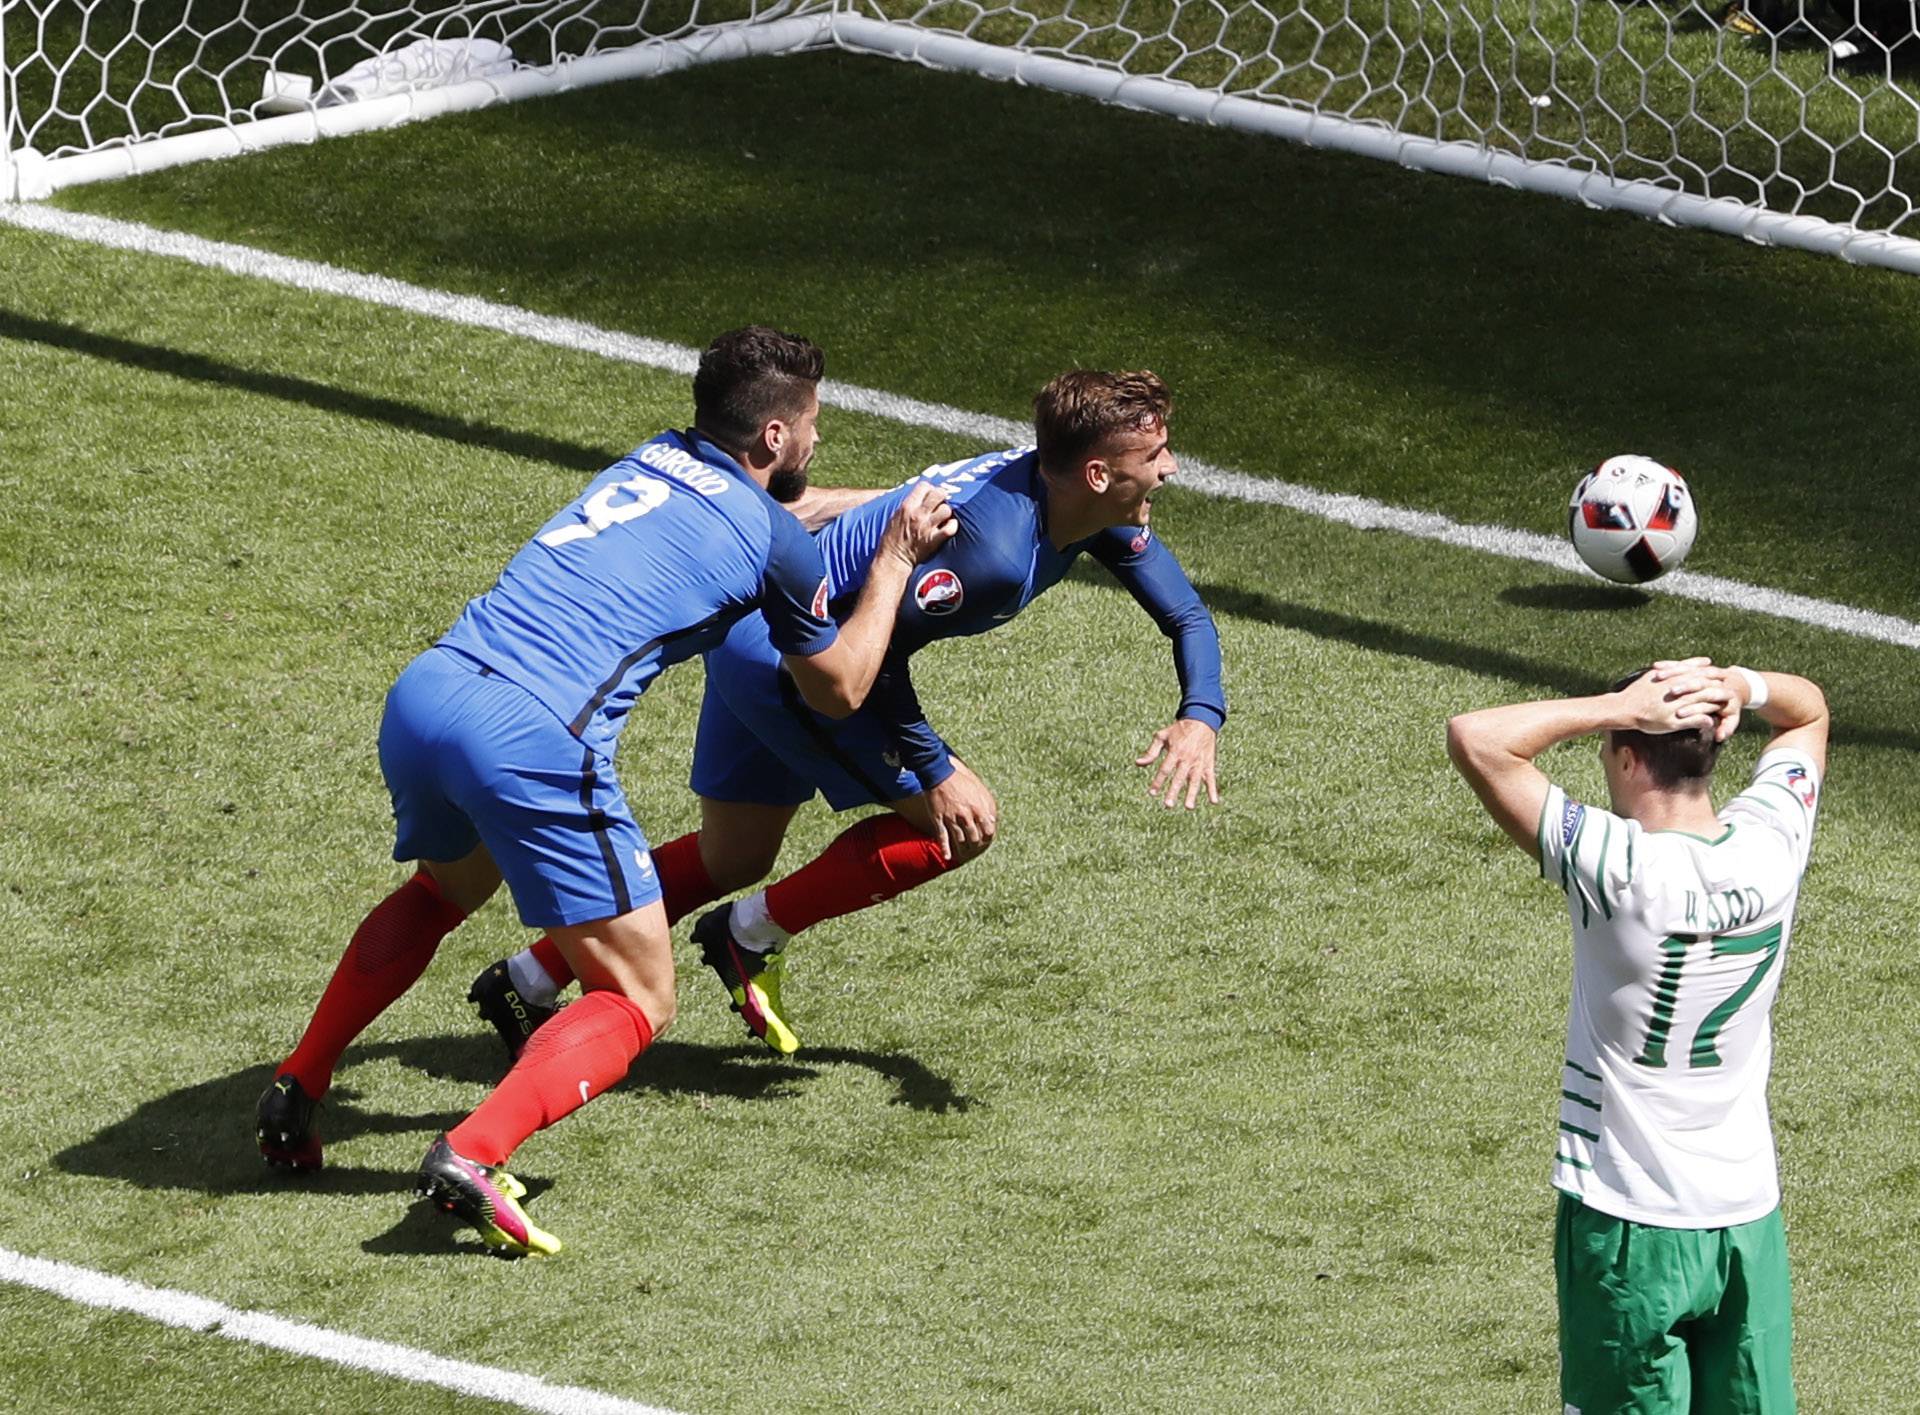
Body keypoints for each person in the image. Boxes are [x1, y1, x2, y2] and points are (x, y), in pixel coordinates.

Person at [254, 326, 956, 1256]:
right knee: (637, 994)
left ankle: (297, 1084)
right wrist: (897, 554)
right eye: (814, 424)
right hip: (532, 739)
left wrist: (886, 501)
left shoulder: (656, 458)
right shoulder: (776, 540)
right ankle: (471, 1152)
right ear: (775, 437)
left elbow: (786, 512)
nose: (819, 441)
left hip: (431, 693)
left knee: (444, 889)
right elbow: (841, 686)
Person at [470, 369, 1226, 1060]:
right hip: (792, 666)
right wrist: (935, 768)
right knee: (959, 823)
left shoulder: (1079, 501)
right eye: (1158, 452)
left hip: (755, 637)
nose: (1170, 466)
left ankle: (529, 977)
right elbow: (877, 663)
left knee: (732, 856)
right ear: (1099, 472)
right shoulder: (991, 555)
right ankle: (746, 934)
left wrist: (1200, 715)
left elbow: (1187, 614)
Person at [1446, 657, 1829, 1414]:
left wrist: (1611, 703)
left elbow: (1477, 738)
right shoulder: (1771, 845)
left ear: (1628, 752)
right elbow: (1808, 712)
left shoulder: (1618, 867)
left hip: (1628, 1224)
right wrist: (1740, 687)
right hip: (1746, 1216)